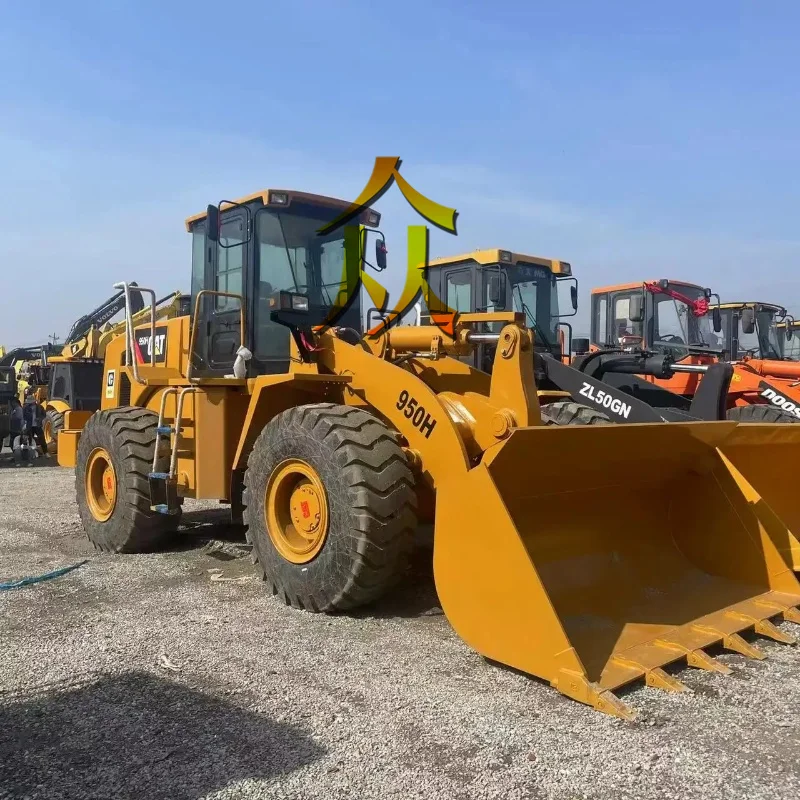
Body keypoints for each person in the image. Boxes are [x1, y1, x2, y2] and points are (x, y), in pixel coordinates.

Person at [23, 391, 47, 456]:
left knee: (42, 438)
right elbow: (23, 416)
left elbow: (44, 414)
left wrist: (40, 418)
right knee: (29, 439)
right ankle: (30, 453)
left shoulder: (39, 407)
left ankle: (45, 452)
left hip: (37, 425)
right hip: (29, 425)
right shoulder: (25, 408)